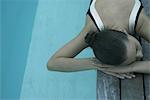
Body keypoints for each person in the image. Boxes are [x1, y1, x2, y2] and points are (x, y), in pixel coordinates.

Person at [47, 0, 150, 78]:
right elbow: (52, 63)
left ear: (124, 32)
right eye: (137, 51)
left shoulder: (141, 22)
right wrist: (97, 64)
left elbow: (53, 63)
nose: (140, 55)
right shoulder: (92, 28)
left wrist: (130, 67)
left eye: (136, 48)